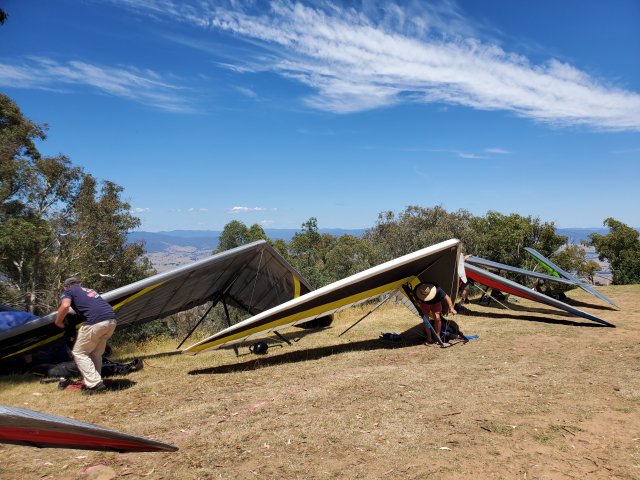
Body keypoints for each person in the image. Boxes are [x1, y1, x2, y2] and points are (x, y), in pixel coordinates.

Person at [54, 277, 117, 394]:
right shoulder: (89, 290)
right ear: (79, 284)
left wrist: (58, 322)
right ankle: (97, 381)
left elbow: (65, 306)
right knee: (96, 353)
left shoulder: (69, 291)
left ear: (65, 287)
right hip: (111, 321)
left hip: (96, 322)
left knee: (79, 353)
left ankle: (95, 384)